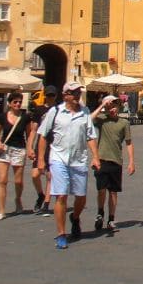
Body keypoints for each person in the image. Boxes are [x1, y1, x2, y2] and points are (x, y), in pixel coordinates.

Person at [37, 81, 99, 250]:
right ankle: (61, 234)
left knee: (81, 197)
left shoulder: (85, 113)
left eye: (79, 92)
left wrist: (96, 157)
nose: (78, 95)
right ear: (66, 95)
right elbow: (42, 135)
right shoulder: (55, 112)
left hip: (79, 160)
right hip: (58, 159)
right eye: (74, 92)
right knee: (61, 195)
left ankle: (75, 217)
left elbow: (90, 136)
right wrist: (41, 159)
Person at [90, 95, 135, 232]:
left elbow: (129, 143)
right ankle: (100, 213)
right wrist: (103, 106)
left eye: (114, 106)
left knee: (113, 192)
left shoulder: (124, 123)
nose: (113, 109)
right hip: (101, 159)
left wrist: (131, 161)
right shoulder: (102, 120)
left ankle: (111, 218)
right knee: (101, 189)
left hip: (116, 160)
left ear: (119, 107)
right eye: (110, 107)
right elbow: (89, 119)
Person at [0, 92, 35, 220]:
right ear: (9, 103)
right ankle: (1, 210)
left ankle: (18, 199)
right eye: (15, 102)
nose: (17, 104)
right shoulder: (2, 117)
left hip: (19, 149)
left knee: (18, 181)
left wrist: (29, 148)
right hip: (5, 149)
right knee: (2, 180)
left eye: (19, 102)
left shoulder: (25, 117)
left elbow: (30, 133)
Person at [28, 85, 58, 214]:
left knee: (50, 176)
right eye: (48, 95)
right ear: (45, 95)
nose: (50, 97)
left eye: (52, 95)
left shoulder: (58, 110)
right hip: (41, 144)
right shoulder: (39, 110)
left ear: (56, 96)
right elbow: (33, 130)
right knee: (35, 174)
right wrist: (29, 147)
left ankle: (46, 203)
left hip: (54, 145)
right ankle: (40, 194)